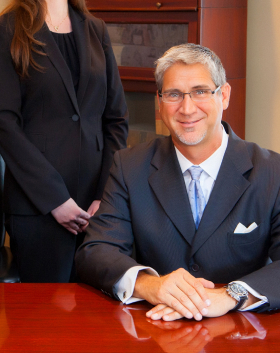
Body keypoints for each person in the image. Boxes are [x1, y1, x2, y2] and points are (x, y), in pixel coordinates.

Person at [76, 43, 280, 320]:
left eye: (200, 92)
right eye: (173, 94)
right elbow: (96, 250)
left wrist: (231, 294)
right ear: (160, 103)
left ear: (225, 95)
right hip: (155, 326)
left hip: (240, 330)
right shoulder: (129, 166)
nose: (186, 108)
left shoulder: (271, 171)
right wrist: (151, 285)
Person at [0, 0, 128, 282]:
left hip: (98, 209)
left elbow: (115, 120)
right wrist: (55, 201)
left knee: (100, 322)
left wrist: (105, 197)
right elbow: (4, 124)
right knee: (42, 329)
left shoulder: (95, 29)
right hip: (39, 209)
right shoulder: (5, 31)